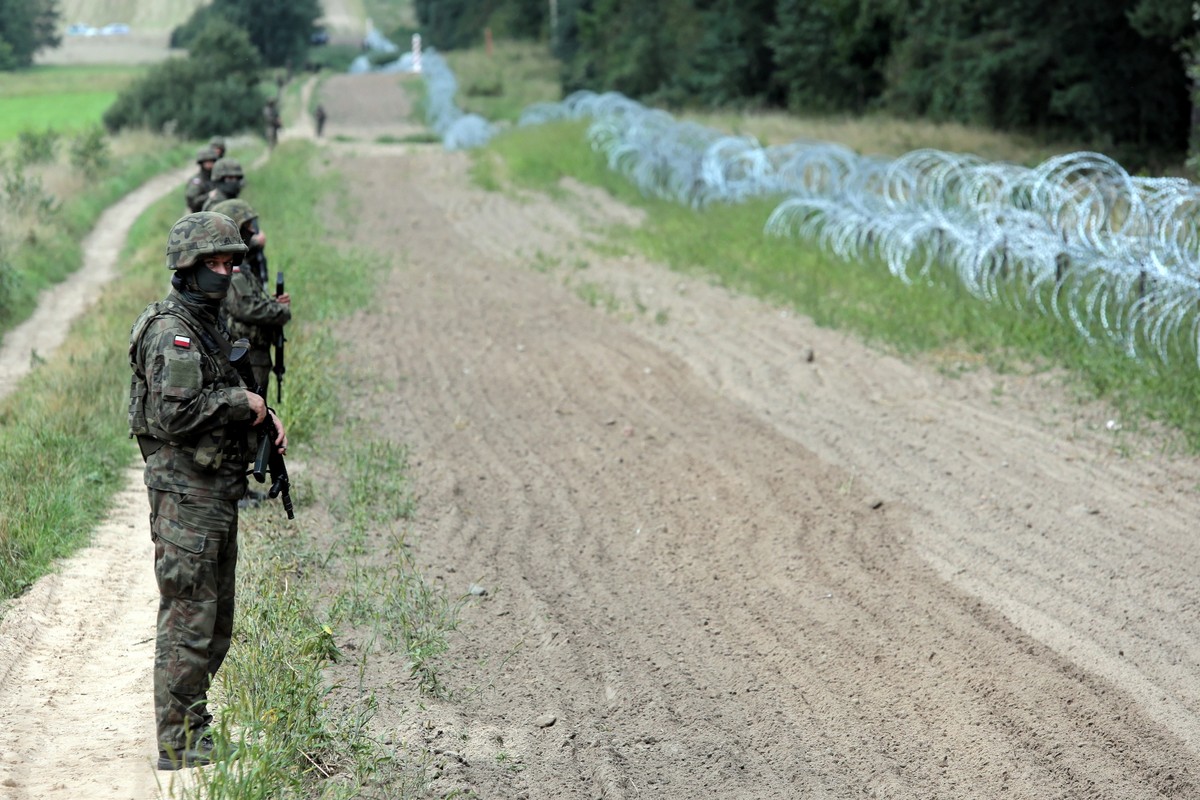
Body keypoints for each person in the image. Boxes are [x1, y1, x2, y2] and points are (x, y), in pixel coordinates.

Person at [128, 211, 287, 770]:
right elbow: (176, 415)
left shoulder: (205, 325)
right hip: (187, 497)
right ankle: (176, 741)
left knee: (214, 624)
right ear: (188, 268)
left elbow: (217, 393)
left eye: (230, 262)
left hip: (214, 491)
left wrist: (262, 420)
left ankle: (194, 730)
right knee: (189, 620)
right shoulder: (174, 331)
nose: (225, 272)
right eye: (214, 263)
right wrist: (242, 404)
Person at [210, 198, 291, 398]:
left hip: (251, 355)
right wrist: (280, 311)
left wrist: (273, 303)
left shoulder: (238, 268)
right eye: (246, 226)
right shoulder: (232, 272)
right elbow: (246, 307)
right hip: (245, 357)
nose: (253, 232)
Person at [184, 146, 218, 213]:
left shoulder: (217, 178)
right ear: (201, 163)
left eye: (211, 161)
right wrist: (208, 196)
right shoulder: (197, 181)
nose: (210, 164)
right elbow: (192, 202)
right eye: (207, 162)